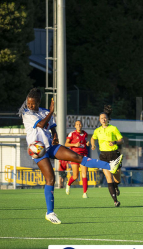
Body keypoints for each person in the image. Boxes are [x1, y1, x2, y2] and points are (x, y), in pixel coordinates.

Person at [18, 88, 123, 224]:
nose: (30, 106)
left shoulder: (43, 111)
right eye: (28, 103)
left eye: (33, 103)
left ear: (38, 102)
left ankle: (109, 165)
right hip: (37, 150)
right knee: (50, 178)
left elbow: (51, 126)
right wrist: (51, 112)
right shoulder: (27, 113)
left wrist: (54, 135)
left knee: (77, 157)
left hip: (50, 146)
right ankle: (50, 213)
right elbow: (42, 124)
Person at [91, 106, 124, 207]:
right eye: (101, 118)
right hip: (103, 156)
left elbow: (121, 140)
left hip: (114, 154)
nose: (103, 119)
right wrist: (93, 144)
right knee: (109, 178)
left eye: (105, 118)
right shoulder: (97, 130)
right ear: (99, 120)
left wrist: (114, 142)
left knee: (117, 179)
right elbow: (93, 138)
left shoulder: (113, 128)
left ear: (107, 118)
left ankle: (116, 186)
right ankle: (115, 201)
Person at [64, 120, 90, 198]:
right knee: (75, 176)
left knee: (84, 174)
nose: (79, 125)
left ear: (82, 125)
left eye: (80, 124)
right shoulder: (72, 133)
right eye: (77, 124)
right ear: (75, 126)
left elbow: (84, 142)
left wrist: (87, 144)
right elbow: (66, 144)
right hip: (75, 155)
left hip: (83, 155)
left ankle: (84, 193)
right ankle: (68, 184)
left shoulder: (85, 134)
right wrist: (75, 144)